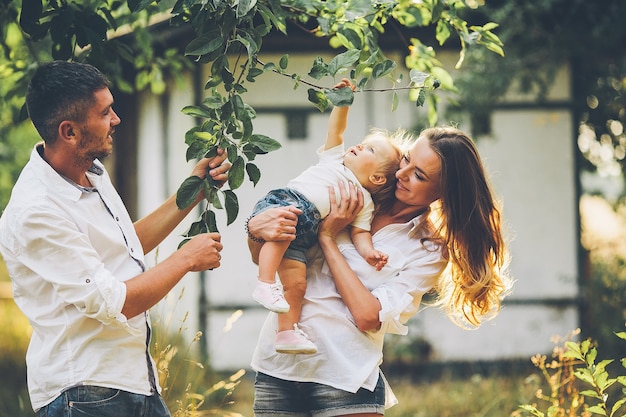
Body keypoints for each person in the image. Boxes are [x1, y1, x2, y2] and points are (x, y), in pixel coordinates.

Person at [0, 61, 229, 417]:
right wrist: (185, 259)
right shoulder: (36, 211)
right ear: (69, 132)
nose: (116, 119)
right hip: (84, 394)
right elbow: (115, 302)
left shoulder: (90, 172)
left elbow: (125, 244)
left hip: (132, 382)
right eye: (105, 112)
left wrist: (193, 191)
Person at [245, 125, 512, 416]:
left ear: (443, 193)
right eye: (407, 159)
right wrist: (255, 228)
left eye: (419, 175)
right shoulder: (353, 190)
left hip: (344, 378)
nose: (401, 173)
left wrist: (327, 239)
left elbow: (367, 316)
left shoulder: (428, 250)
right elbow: (266, 257)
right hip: (278, 367)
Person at [250, 78, 402, 354]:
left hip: (304, 236)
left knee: (297, 284)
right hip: (289, 203)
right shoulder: (334, 160)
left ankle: (285, 333)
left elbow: (360, 233)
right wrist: (343, 102)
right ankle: (265, 282)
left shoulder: (364, 203)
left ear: (378, 177)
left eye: (370, 150)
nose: (357, 147)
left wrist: (369, 253)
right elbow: (337, 130)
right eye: (363, 143)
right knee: (284, 229)